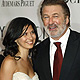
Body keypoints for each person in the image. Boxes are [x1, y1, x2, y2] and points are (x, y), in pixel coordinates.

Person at [32, 0, 80, 80]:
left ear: (67, 19)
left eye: (55, 16)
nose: (50, 22)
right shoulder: (37, 51)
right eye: (46, 17)